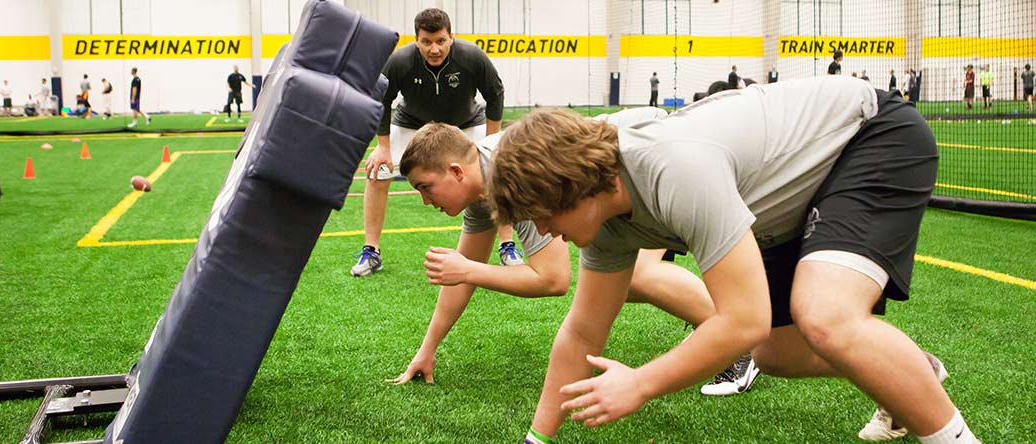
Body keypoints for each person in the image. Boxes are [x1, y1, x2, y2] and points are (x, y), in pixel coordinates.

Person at [488, 76, 975, 443]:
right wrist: (537, 439)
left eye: (541, 214)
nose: (543, 231)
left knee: (824, 314)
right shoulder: (607, 225)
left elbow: (743, 320)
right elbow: (581, 333)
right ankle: (913, 371)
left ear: (572, 187)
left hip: (869, 135)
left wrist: (640, 383)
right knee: (776, 353)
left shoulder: (672, 169)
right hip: (785, 198)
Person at [389, 108, 761, 397]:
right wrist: (428, 348)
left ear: (455, 171)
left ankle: (736, 347)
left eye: (426, 187)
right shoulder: (479, 186)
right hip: (629, 160)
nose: (425, 200)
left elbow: (552, 279)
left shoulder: (510, 177)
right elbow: (462, 273)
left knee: (635, 275)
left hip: (649, 159)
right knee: (615, 283)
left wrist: (470, 271)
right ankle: (719, 331)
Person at [352, 7, 510, 277]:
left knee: (498, 171)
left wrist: (492, 141)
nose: (434, 49)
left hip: (466, 123)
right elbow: (382, 99)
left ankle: (507, 245)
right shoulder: (401, 61)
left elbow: (495, 94)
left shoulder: (471, 57)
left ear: (451, 38)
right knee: (377, 170)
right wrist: (383, 148)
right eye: (426, 42)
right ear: (417, 40)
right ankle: (371, 251)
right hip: (413, 124)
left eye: (440, 41)